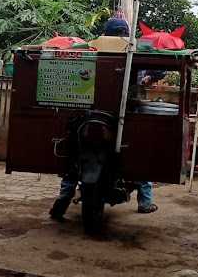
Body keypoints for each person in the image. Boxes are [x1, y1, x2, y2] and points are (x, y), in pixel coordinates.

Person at [50, 15, 157, 219]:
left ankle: (62, 202)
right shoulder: (133, 52)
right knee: (139, 156)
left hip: (87, 118)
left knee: (72, 163)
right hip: (118, 121)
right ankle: (145, 201)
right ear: (125, 34)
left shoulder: (91, 50)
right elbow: (150, 74)